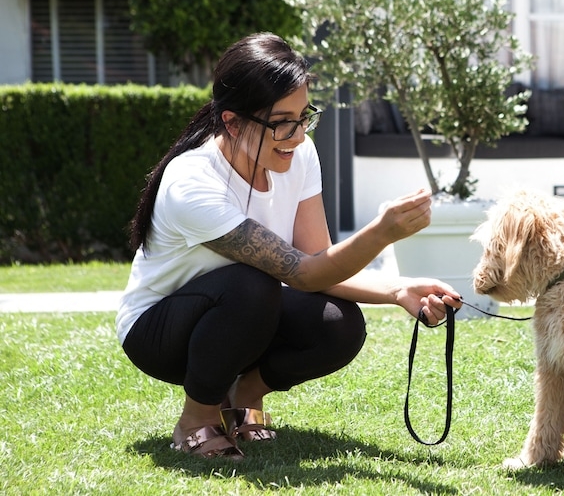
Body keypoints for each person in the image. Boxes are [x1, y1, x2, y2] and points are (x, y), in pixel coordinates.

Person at [116, 32, 462, 460]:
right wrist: (381, 233)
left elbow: (319, 261)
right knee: (253, 283)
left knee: (339, 324)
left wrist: (397, 290)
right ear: (232, 121)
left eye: (303, 117)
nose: (296, 136)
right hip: (160, 332)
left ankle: (246, 395)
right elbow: (299, 274)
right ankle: (198, 417)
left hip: (241, 316)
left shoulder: (298, 154)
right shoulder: (194, 183)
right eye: (281, 121)